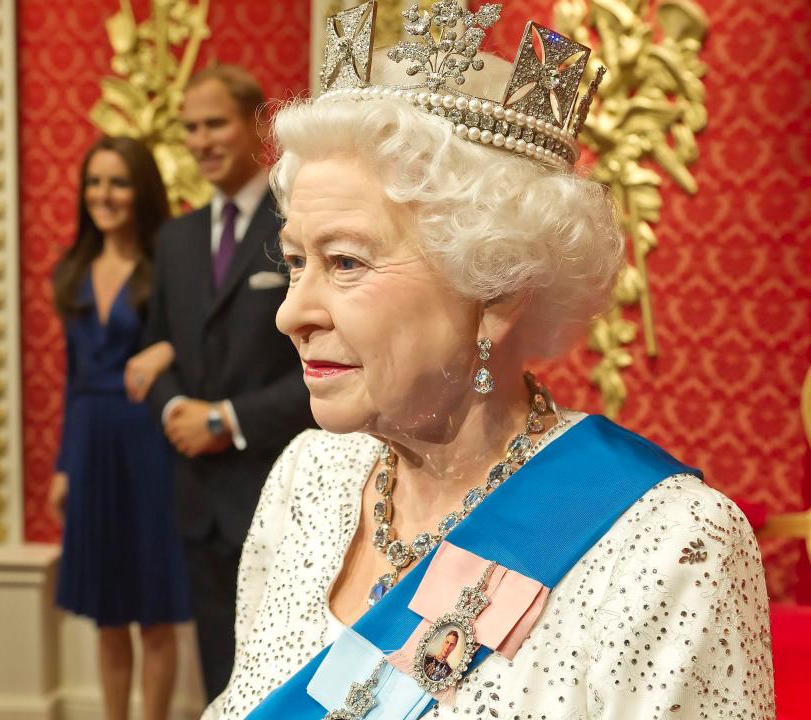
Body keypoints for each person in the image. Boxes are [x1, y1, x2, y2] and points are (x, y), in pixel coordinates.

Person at [203, 4, 775, 719]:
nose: (293, 313)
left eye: (346, 262)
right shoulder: (308, 480)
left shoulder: (667, 547)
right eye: (295, 261)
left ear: (497, 292)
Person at [131, 64, 314, 701]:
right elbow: (156, 352)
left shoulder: (297, 225)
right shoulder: (175, 240)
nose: (201, 140)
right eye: (190, 128)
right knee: (217, 674)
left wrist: (226, 420)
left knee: (285, 671)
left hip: (281, 486)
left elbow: (322, 367)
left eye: (215, 124)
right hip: (197, 500)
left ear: (255, 126)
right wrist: (177, 404)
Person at [48, 136, 191, 720]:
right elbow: (71, 377)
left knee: (154, 609)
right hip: (90, 442)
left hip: (149, 445)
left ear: (142, 191)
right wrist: (63, 465)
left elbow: (201, 347)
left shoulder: (168, 264)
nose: (104, 195)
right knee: (109, 613)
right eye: (95, 182)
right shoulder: (73, 268)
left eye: (119, 182)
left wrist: (168, 351)